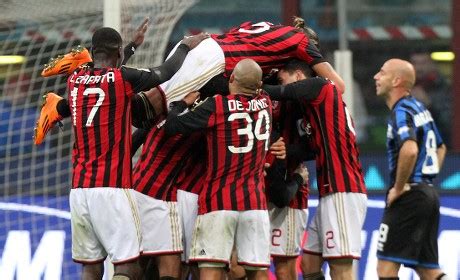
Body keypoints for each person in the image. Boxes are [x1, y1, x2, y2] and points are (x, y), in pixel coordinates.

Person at [62, 26, 206, 279]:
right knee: (128, 266)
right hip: (112, 187)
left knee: (91, 266)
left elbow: (104, 71)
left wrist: (130, 47)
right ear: (117, 52)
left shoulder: (74, 80)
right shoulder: (122, 79)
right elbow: (165, 72)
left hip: (79, 190)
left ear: (93, 52)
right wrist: (185, 44)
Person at [163, 59, 272, 280]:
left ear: (231, 79)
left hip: (219, 202)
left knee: (211, 270)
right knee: (257, 271)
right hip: (255, 204)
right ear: (259, 86)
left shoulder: (217, 107)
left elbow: (172, 126)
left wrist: (181, 105)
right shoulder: (266, 103)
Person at [263, 59, 368, 280]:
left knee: (340, 266)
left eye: (285, 78)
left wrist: (248, 84)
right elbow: (311, 148)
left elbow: (280, 92)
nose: (284, 84)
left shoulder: (320, 86)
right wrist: (284, 150)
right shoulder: (314, 109)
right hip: (330, 191)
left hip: (343, 189)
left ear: (299, 76)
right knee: (309, 263)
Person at [373, 58, 449, 280]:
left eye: (382, 72)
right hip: (427, 194)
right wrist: (426, 179)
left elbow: (410, 149)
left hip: (410, 196)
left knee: (385, 269)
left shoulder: (401, 111)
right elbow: (441, 147)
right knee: (427, 269)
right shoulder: (418, 107)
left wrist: (399, 187)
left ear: (397, 80)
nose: (376, 77)